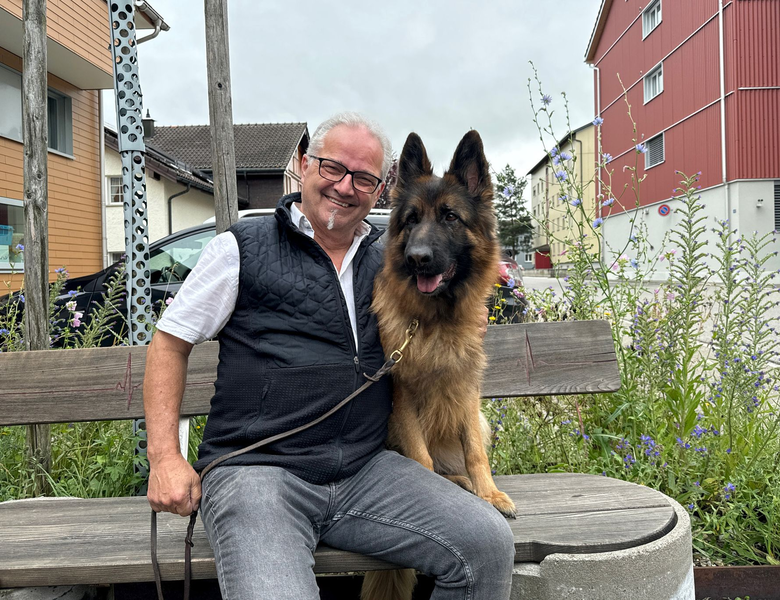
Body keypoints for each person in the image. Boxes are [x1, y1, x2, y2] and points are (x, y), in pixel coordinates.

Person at [143, 112, 515, 600]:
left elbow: (457, 304)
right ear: (303, 165)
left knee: (486, 546)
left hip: (367, 468)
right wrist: (165, 457)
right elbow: (169, 342)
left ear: (381, 189)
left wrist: (474, 316)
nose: (345, 186)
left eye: (362, 178)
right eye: (332, 168)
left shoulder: (394, 256)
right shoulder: (242, 248)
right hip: (259, 473)